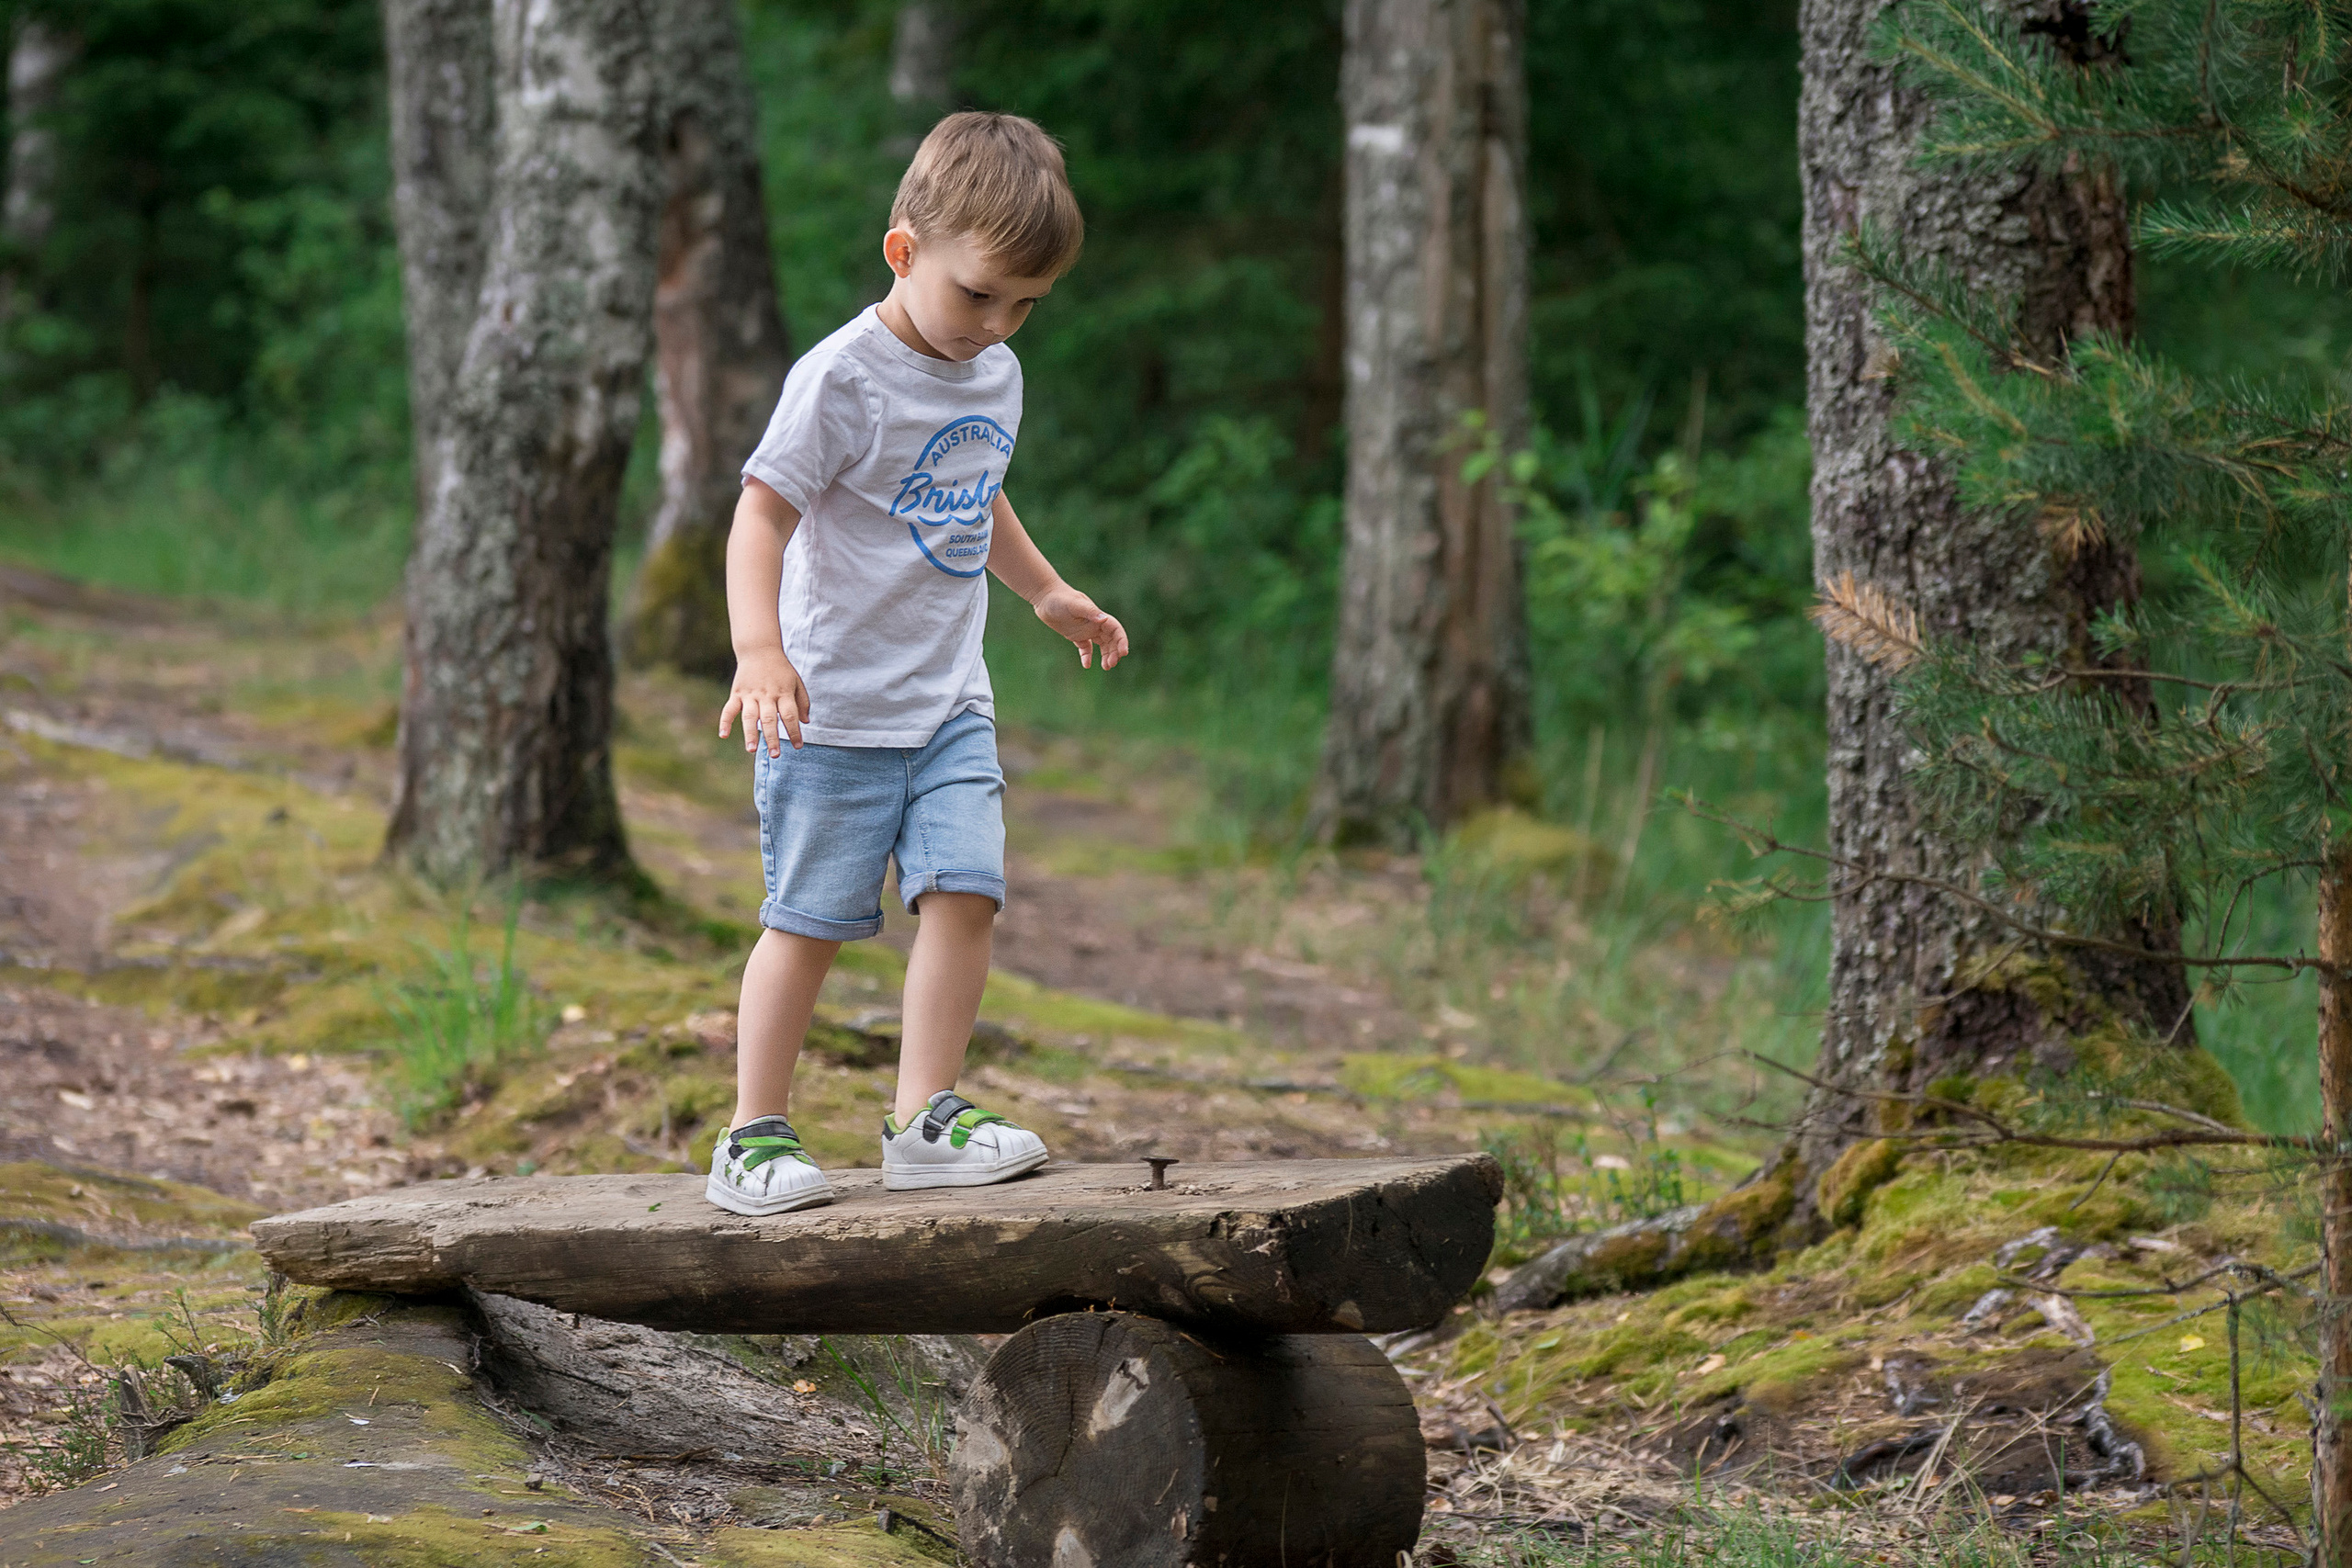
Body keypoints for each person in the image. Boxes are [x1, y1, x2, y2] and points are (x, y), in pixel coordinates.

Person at [704, 112, 1127, 1215]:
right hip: (831, 711)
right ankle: (752, 1133)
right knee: (809, 923)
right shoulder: (842, 378)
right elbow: (760, 516)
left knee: (966, 894)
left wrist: (1044, 590)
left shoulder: (994, 374)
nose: (997, 324)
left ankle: (924, 1118)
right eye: (978, 294)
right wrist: (759, 650)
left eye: (1026, 304)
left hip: (947, 704)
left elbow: (974, 491)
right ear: (904, 252)